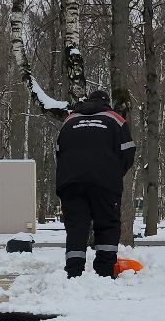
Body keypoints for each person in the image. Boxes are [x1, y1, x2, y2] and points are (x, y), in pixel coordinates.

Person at [54, 89, 135, 278]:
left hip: (70, 183)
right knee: (107, 224)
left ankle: (74, 272)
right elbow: (128, 152)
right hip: (105, 182)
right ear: (107, 102)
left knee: (76, 226)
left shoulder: (70, 120)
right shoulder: (116, 120)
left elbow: (59, 151)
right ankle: (105, 273)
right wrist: (114, 173)